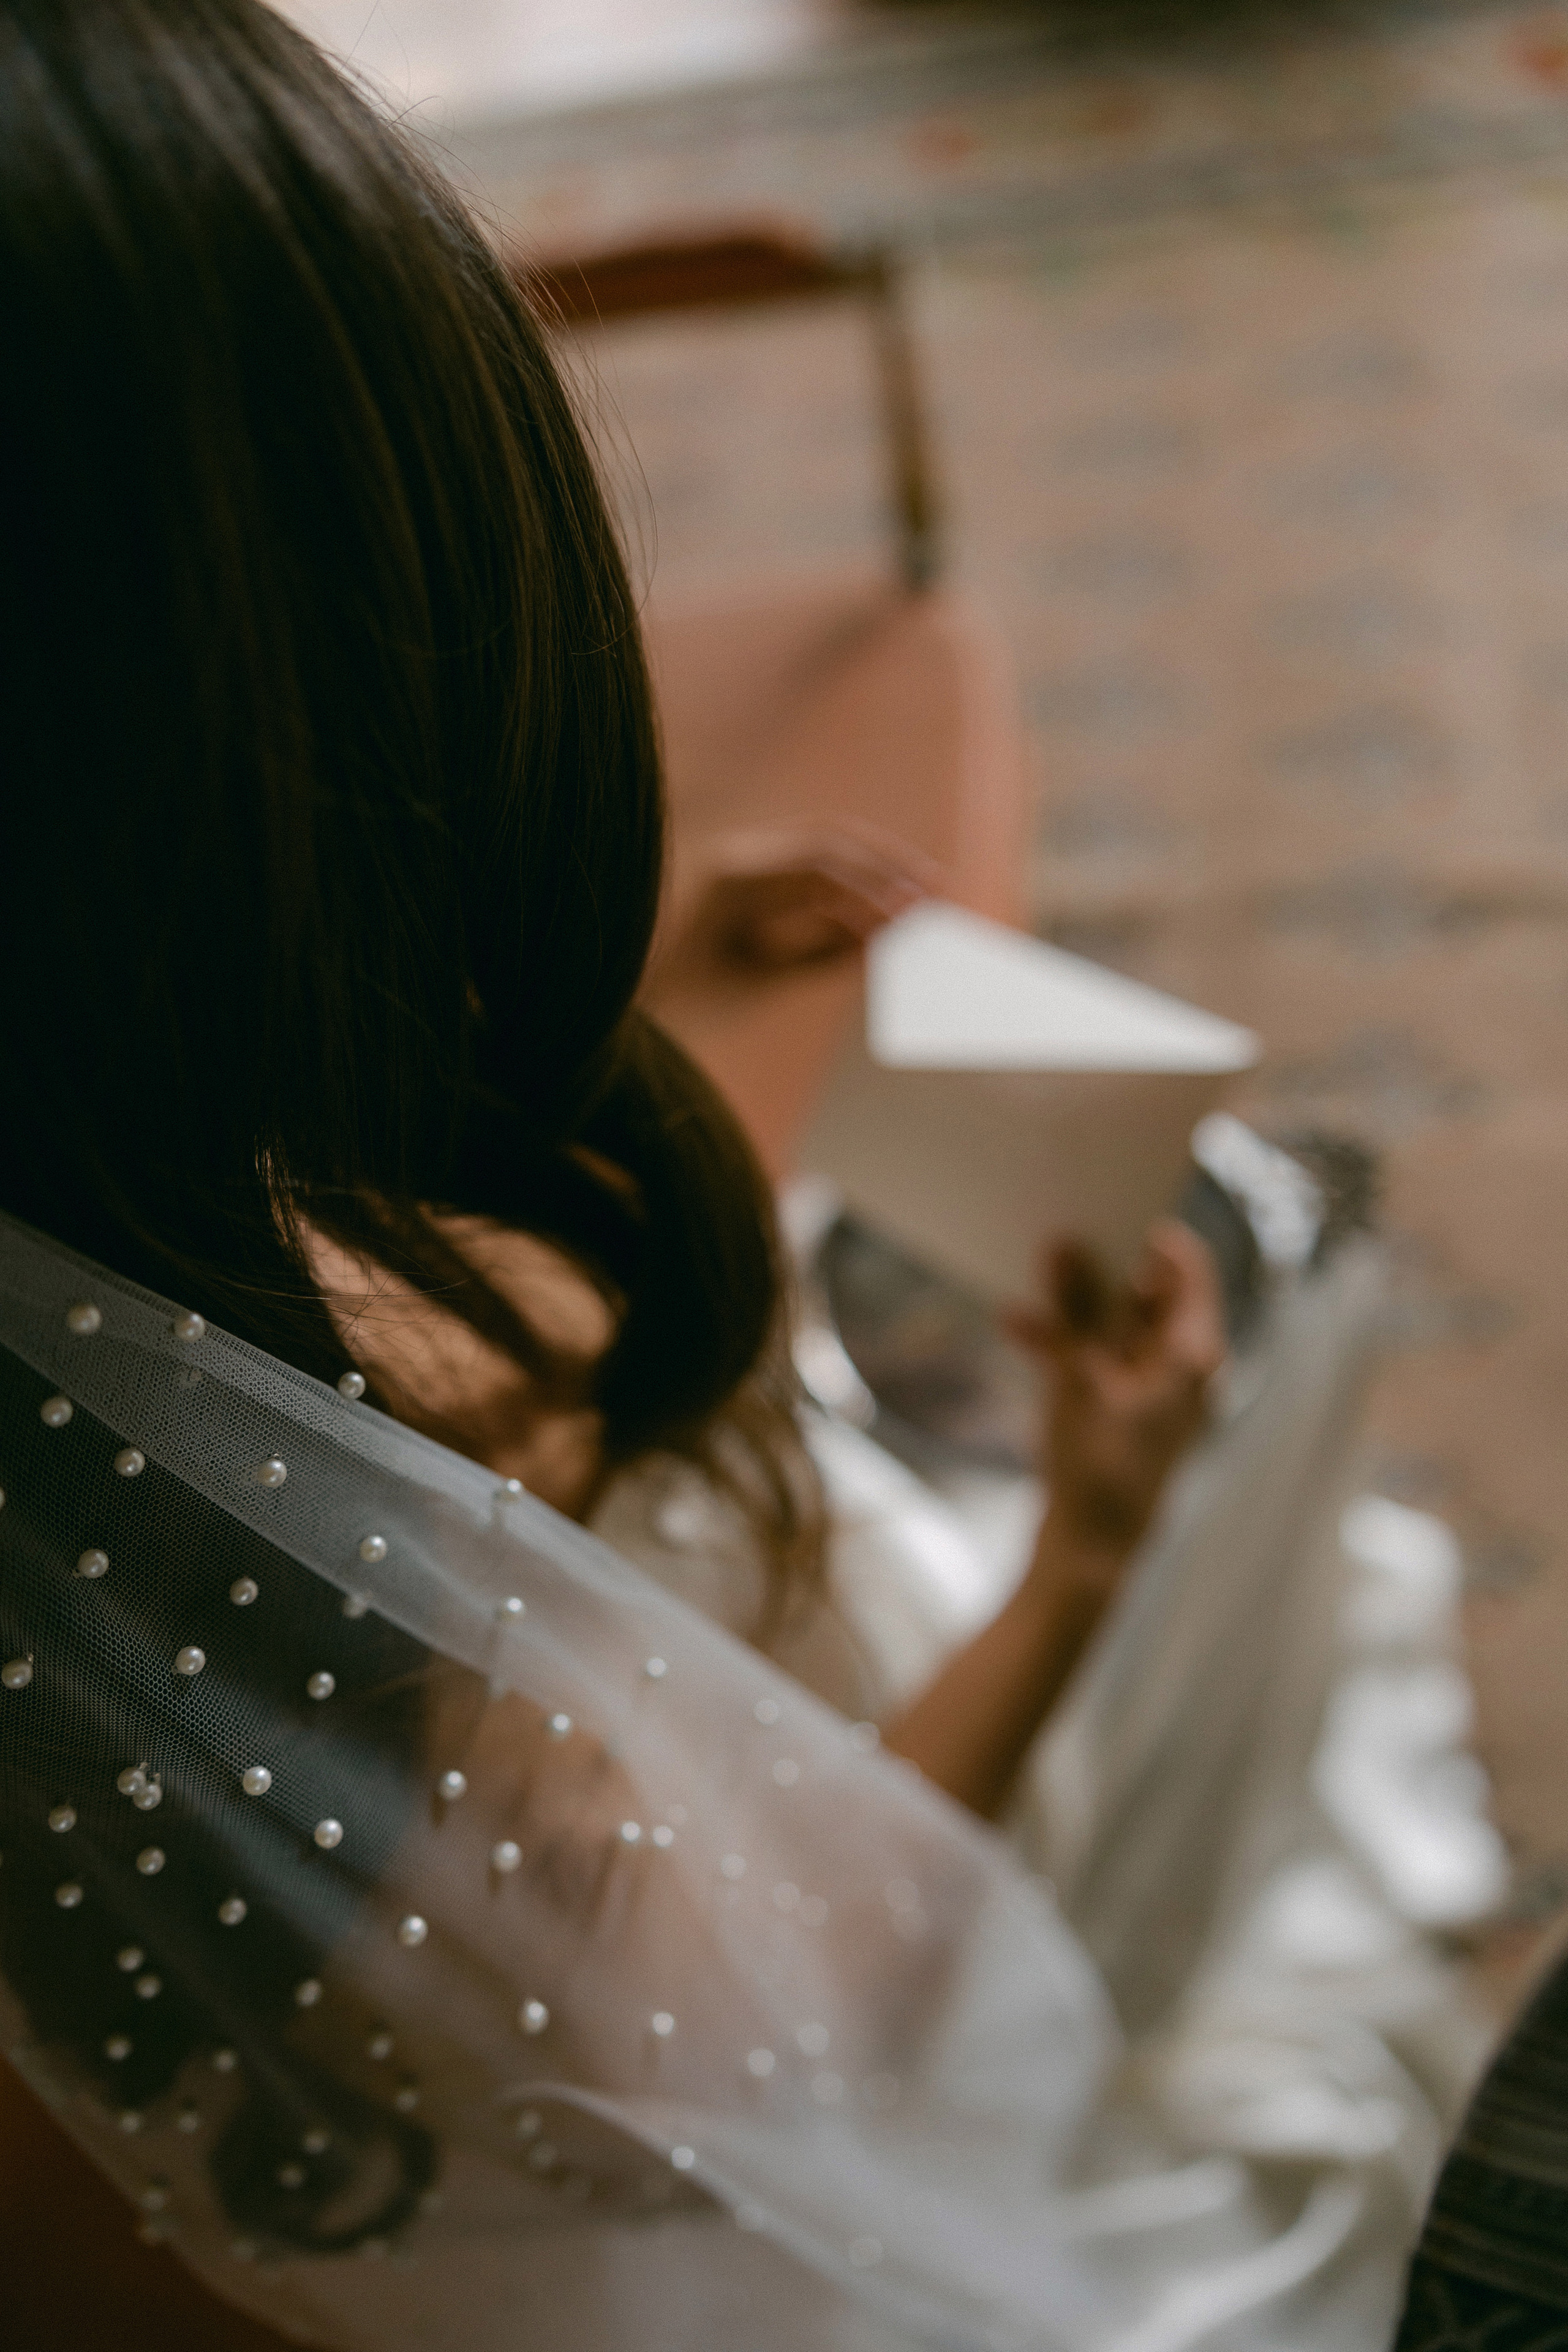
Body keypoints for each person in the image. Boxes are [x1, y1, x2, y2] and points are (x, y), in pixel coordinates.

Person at [0, 6, 1488, 2348]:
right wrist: (1092, 1554)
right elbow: (807, 2033)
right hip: (849, 1916)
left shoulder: (122, 1311)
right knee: (1280, 1306)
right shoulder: (373, 1591)